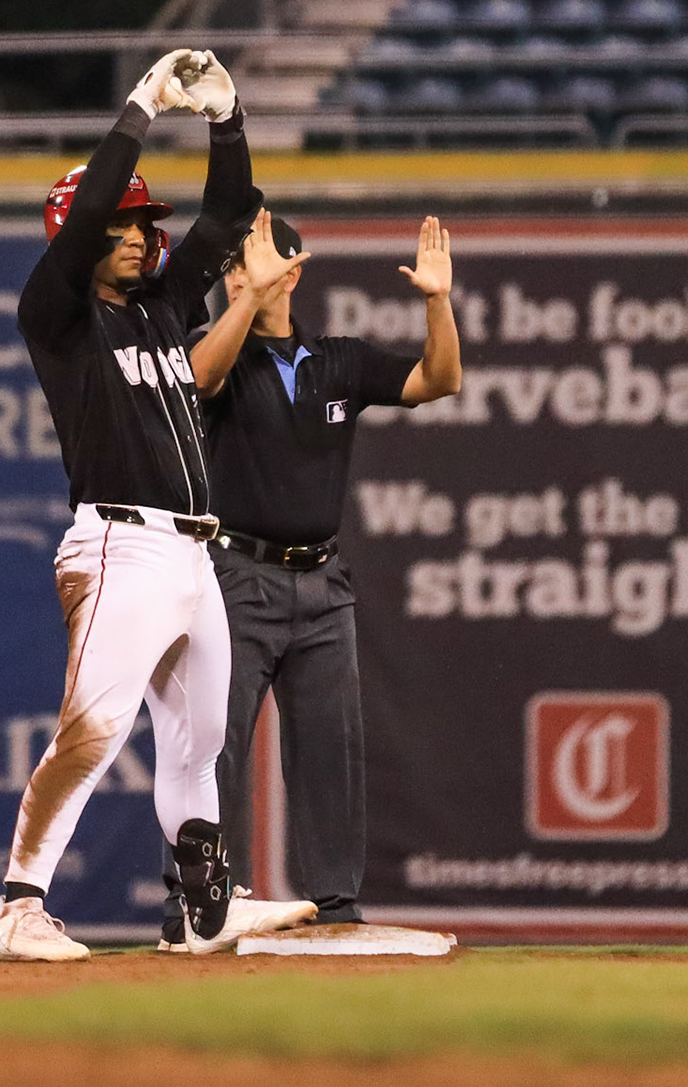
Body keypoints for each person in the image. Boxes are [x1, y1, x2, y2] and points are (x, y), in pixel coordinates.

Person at [0, 49, 319, 961]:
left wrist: (228, 120)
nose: (141, 236)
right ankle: (20, 906)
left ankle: (205, 910)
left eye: (145, 224)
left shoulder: (162, 307)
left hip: (190, 552)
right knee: (93, 731)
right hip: (117, 543)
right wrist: (138, 108)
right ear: (85, 235)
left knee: (199, 740)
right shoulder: (57, 312)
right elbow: (90, 209)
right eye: (127, 224)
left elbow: (224, 217)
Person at [158, 210, 462, 950]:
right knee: (212, 744)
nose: (242, 268)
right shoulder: (216, 347)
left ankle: (334, 903)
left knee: (331, 748)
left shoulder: (337, 360)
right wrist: (238, 301)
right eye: (234, 260)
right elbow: (201, 378)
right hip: (235, 574)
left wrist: (437, 302)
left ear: (293, 272)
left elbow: (440, 379)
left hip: (322, 583)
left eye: (257, 256)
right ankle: (197, 903)